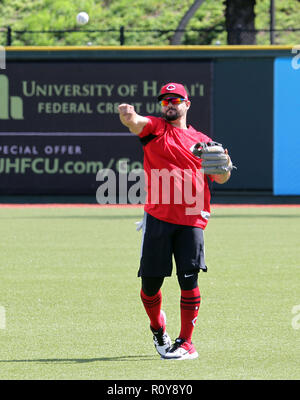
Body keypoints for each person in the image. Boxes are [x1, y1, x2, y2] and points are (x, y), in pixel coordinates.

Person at [118, 82, 232, 360]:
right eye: (165, 100)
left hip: (192, 219)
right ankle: (158, 328)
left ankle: (186, 342)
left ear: (187, 104)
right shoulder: (156, 128)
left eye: (175, 99)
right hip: (158, 217)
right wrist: (127, 116)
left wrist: (225, 165)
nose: (169, 103)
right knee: (150, 286)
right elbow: (136, 122)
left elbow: (220, 177)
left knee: (189, 279)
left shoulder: (204, 141)